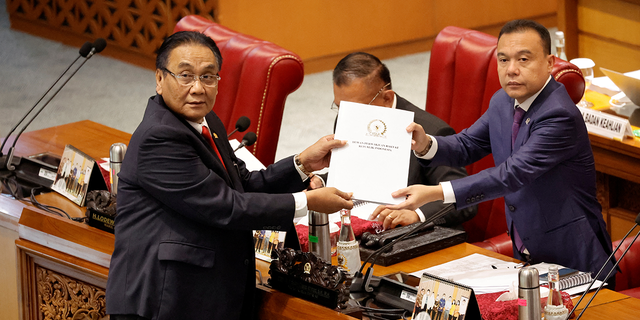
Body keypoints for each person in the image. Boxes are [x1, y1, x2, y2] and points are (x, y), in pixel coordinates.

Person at [105, 31, 353, 320]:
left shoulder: (206, 120)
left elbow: (243, 184)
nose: (198, 88)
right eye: (185, 76)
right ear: (160, 79)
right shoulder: (159, 138)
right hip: (164, 300)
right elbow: (226, 206)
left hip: (201, 291)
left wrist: (301, 163)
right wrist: (306, 202)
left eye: (208, 77)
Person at [387, 19, 615, 280]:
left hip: (574, 256)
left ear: (550, 63)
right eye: (503, 60)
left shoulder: (559, 115)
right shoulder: (503, 101)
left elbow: (511, 175)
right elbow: (467, 144)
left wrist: (435, 193)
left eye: (524, 59)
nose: (511, 70)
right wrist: (425, 143)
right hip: (527, 250)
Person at [331, 52, 477, 230]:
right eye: (340, 107)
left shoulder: (433, 132)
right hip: (356, 220)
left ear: (387, 98)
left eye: (356, 109)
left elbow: (465, 201)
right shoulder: (346, 118)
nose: (348, 117)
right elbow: (355, 173)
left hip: (411, 234)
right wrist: (323, 181)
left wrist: (416, 215)